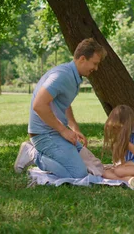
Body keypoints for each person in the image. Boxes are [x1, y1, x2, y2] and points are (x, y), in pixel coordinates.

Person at [14, 38, 106, 178]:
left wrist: (74, 128)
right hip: (44, 135)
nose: (96, 68)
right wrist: (63, 130)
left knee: (95, 167)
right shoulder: (61, 76)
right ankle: (33, 154)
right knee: (78, 174)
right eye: (94, 63)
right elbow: (38, 105)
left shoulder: (72, 76)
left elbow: (64, 102)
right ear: (82, 59)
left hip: (54, 133)